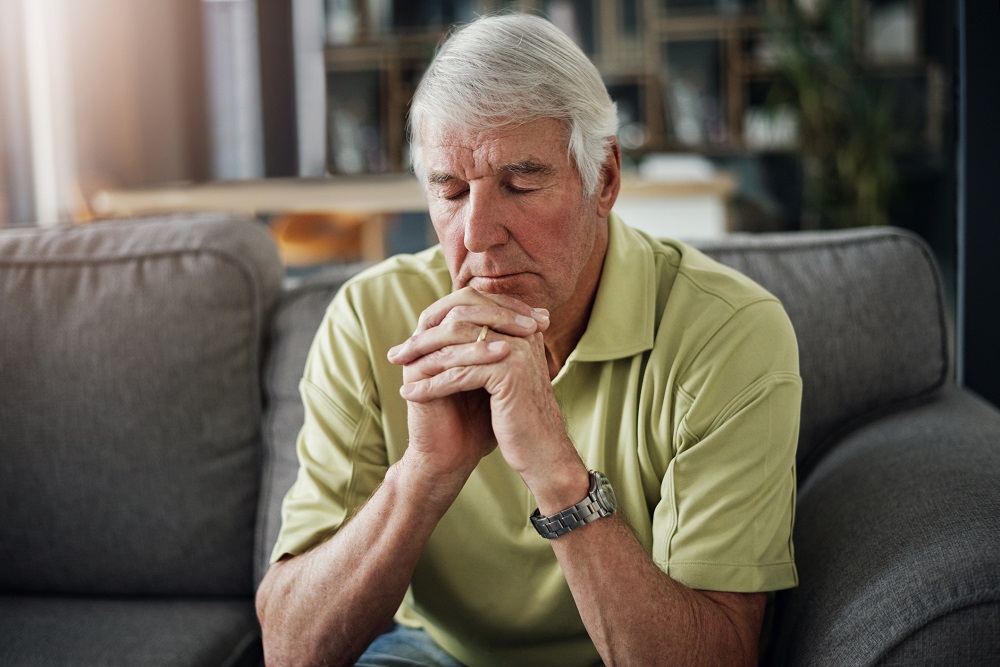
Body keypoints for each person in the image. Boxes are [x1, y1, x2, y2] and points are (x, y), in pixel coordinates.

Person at [256, 12, 800, 667]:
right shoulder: (369, 317)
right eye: (451, 190)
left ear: (604, 179)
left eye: (520, 183)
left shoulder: (728, 331)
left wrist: (555, 471)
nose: (478, 233)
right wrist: (424, 476)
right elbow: (289, 649)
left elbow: (716, 656)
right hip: (431, 652)